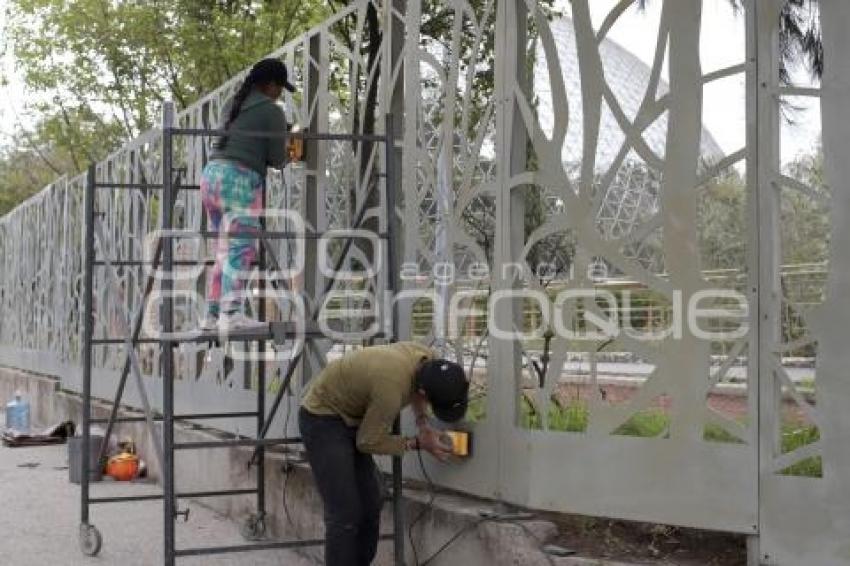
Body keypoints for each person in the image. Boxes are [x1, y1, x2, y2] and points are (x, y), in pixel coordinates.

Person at [299, 341, 469, 566]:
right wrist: (417, 443)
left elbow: (419, 392)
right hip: (323, 417)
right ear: (424, 391)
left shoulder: (428, 358)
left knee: (370, 504)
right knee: (345, 512)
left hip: (354, 415)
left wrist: (423, 425)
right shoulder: (390, 389)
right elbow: (367, 441)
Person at [200, 58, 296, 331]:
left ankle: (212, 315)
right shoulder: (272, 111)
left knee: (223, 250)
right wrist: (288, 143)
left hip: (211, 177)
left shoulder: (233, 103)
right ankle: (232, 314)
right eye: (280, 87)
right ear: (270, 85)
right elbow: (277, 159)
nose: (280, 94)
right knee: (241, 249)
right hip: (239, 183)